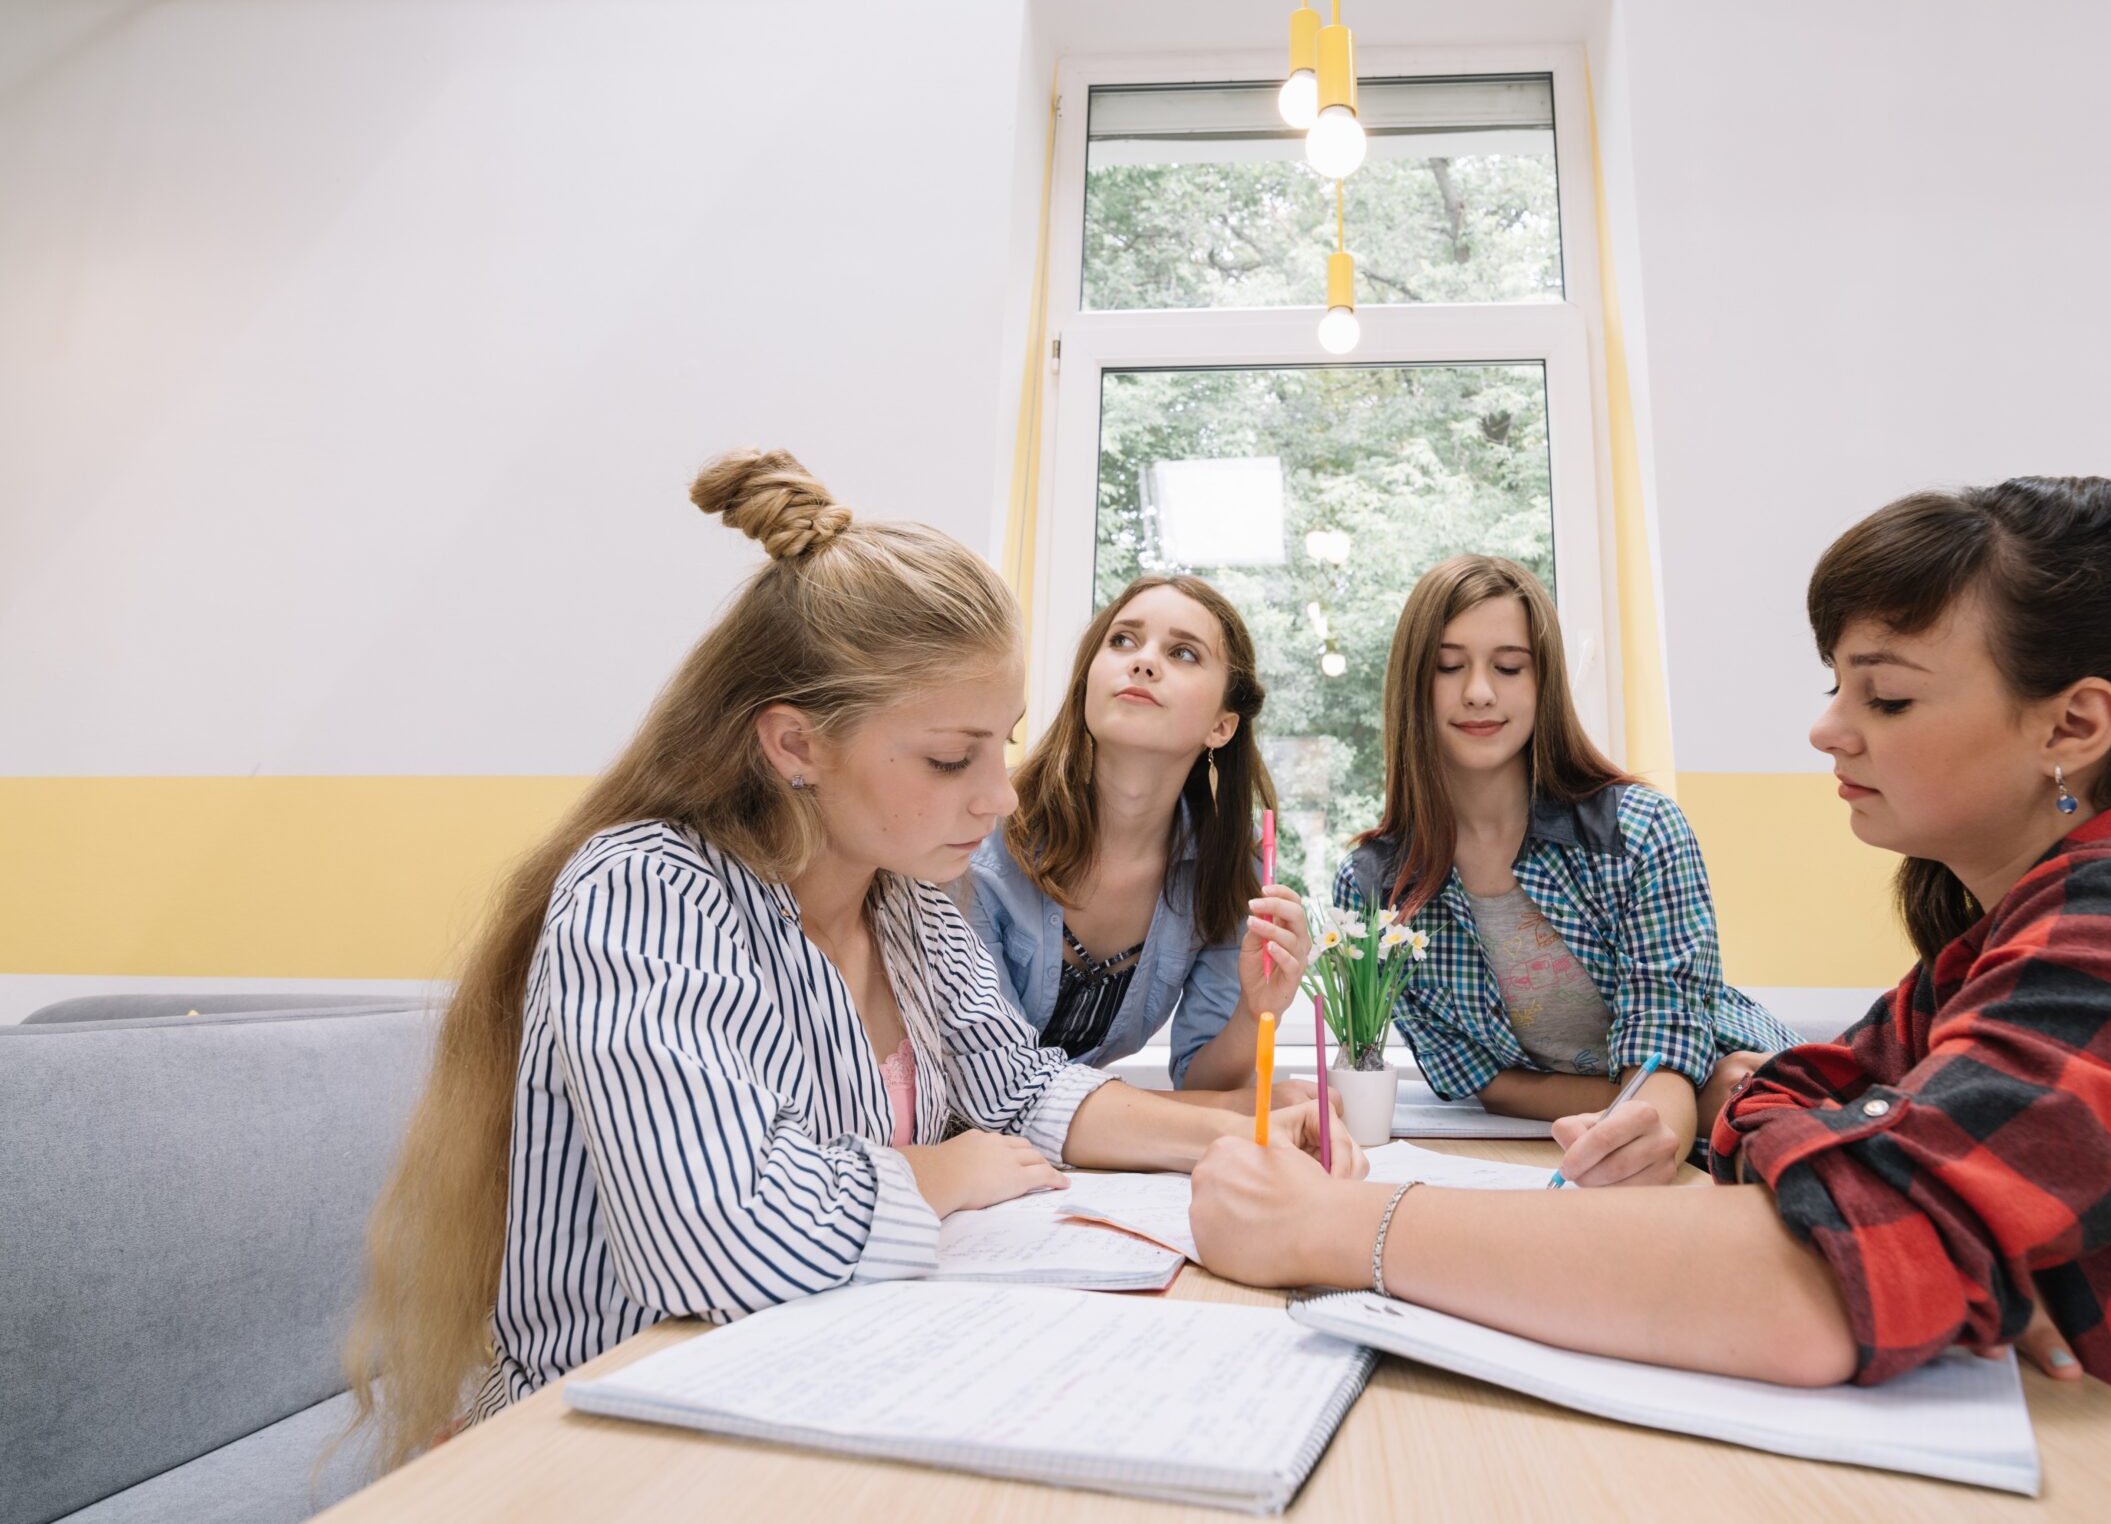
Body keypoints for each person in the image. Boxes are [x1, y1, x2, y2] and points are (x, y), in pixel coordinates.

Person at [1195, 479, 2111, 1521]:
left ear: (2071, 727)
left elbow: (1810, 1274)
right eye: (1836, 685)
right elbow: (1783, 1088)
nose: (1827, 728)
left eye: (1886, 695)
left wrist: (1341, 1226)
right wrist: (1895, 1197)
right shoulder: (2000, 939)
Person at [345, 449, 1357, 1469]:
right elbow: (726, 1240)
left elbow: (1016, 1087)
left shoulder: (902, 896)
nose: (999, 798)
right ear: (796, 746)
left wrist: (1239, 1138)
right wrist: (938, 1169)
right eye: (950, 758)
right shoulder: (646, 892)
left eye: (999, 746)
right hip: (619, 1427)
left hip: (818, 1392)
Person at [1334, 555, 1793, 1185]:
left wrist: (1669, 1104)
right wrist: (1635, 1106)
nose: (1478, 691)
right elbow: (1483, 1081)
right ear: (1413, 682)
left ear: (1543, 682)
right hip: (1644, 1114)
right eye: (1448, 666)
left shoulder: (1640, 831)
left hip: (1750, 1092)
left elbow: (1667, 1046)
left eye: (1509, 666)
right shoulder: (1373, 889)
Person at [966, 575, 1316, 1101]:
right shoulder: (984, 829)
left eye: (1183, 653)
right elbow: (992, 1078)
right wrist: (1236, 1115)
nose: (1144, 661)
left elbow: (1201, 1082)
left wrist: (1257, 1010)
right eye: (1123, 640)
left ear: (1222, 726)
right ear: (1088, 680)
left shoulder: (1227, 871)